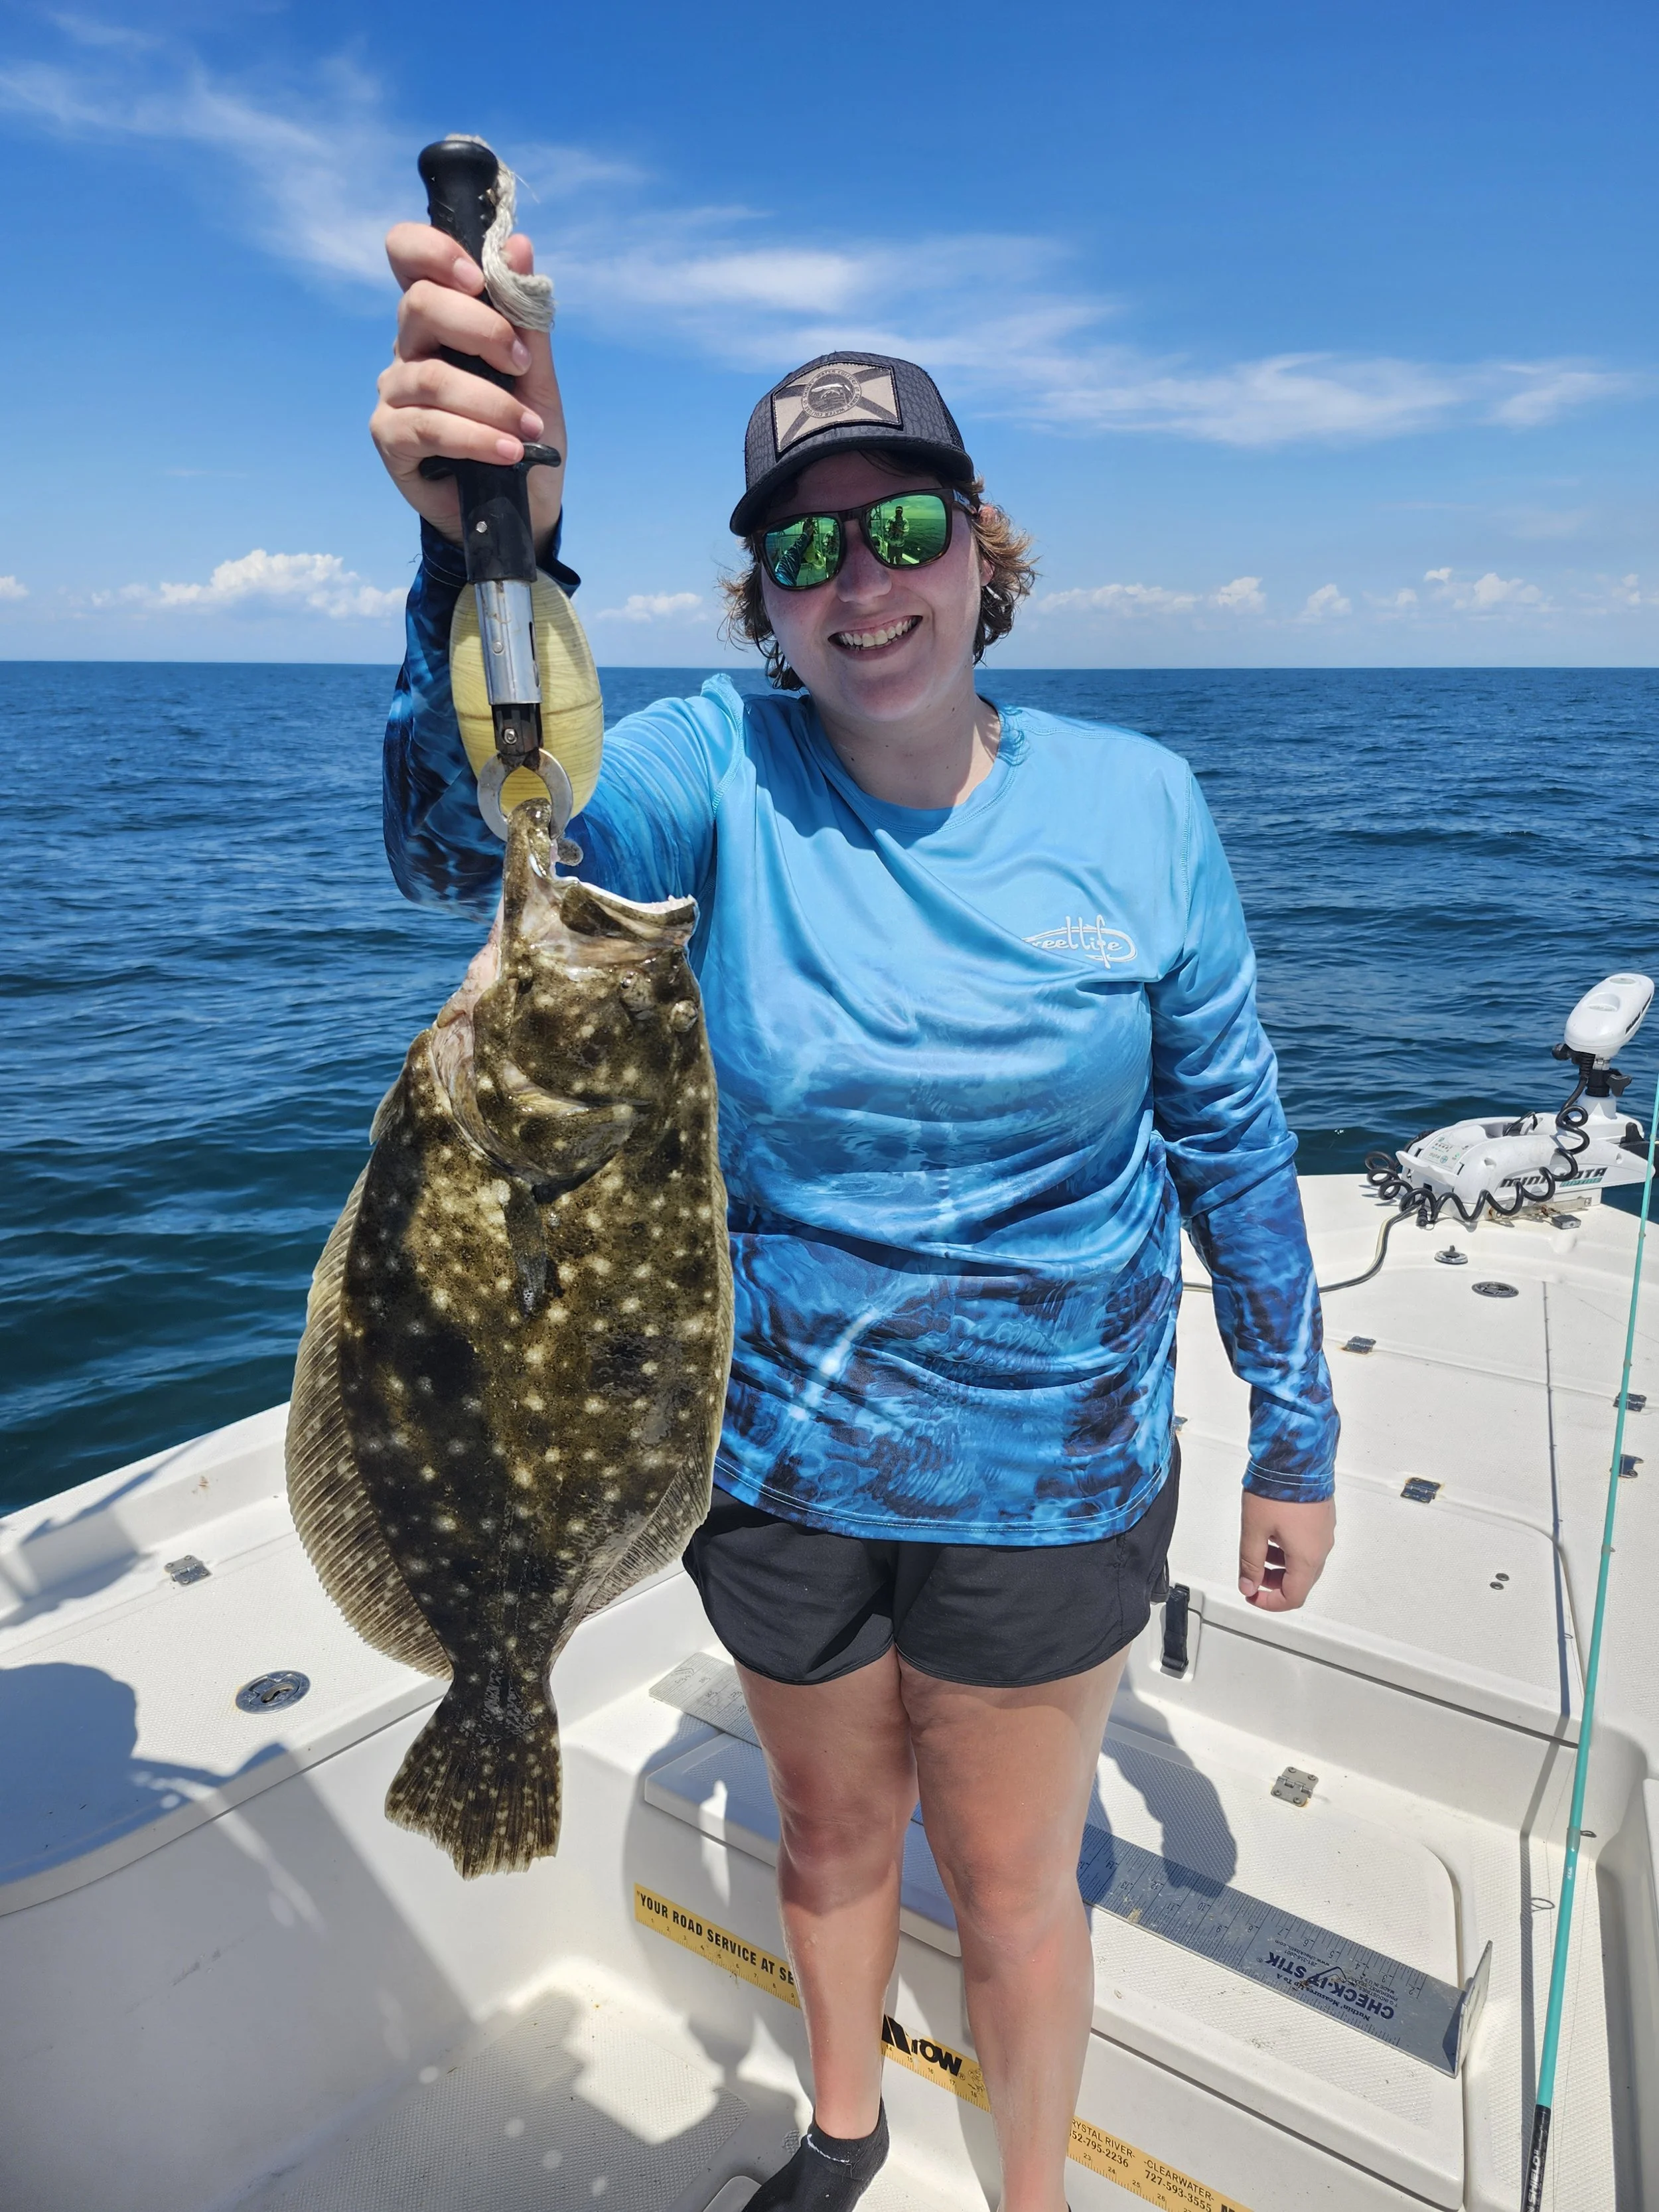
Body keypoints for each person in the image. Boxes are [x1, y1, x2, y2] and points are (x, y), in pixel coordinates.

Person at [371, 218, 1338, 2212]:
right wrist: (487, 556)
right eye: (800, 554)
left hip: (1048, 1471)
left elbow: (1233, 1135)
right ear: (762, 603)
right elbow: (463, 829)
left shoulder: (1141, 808)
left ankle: (1030, 2191)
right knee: (825, 1837)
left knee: (1007, 1875)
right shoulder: (713, 772)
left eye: (900, 526)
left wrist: (1295, 1430)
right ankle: (839, 2129)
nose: (860, 583)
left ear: (981, 548)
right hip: (770, 1456)